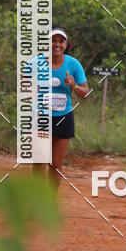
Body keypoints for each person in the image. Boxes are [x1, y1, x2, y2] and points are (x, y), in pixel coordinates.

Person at [37, 28, 88, 192]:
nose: (56, 44)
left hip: (63, 117)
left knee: (55, 164)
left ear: (66, 44)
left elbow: (85, 93)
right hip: (41, 117)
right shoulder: (38, 62)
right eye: (53, 40)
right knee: (38, 162)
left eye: (61, 41)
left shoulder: (73, 64)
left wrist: (73, 85)